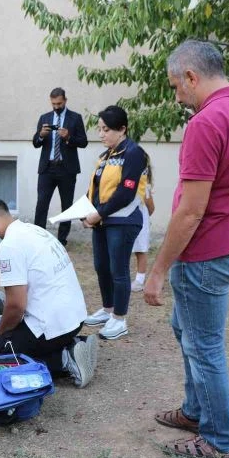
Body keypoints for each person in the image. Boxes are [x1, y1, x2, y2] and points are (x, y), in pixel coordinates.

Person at [145, 40, 229, 458]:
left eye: (175, 86)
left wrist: (157, 270)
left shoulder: (207, 122)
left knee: (204, 346)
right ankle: (194, 411)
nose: (176, 96)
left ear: (191, 77)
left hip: (208, 250)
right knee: (185, 327)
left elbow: (191, 211)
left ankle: (218, 440)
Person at [0, 196, 98, 388]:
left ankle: (64, 358)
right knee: (13, 341)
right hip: (74, 318)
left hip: (51, 325)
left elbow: (16, 305)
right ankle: (74, 343)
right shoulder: (34, 230)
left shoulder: (10, 245)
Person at [81, 105, 149, 340]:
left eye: (106, 129)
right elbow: (96, 188)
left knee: (118, 270)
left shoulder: (134, 153)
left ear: (122, 129)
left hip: (123, 221)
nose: (101, 134)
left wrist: (98, 214)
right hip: (102, 221)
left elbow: (125, 193)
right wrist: (86, 210)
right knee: (101, 266)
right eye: (99, 129)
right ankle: (108, 309)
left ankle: (119, 319)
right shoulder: (105, 156)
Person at [32, 87, 88, 246]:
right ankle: (38, 239)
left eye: (59, 103)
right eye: (53, 104)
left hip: (66, 169)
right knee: (41, 204)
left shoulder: (75, 118)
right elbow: (36, 143)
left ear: (65, 101)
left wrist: (68, 137)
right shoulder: (45, 117)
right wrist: (41, 135)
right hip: (47, 169)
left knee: (66, 206)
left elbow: (83, 142)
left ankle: (61, 240)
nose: (56, 107)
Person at [130, 168, 155, 292]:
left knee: (140, 249)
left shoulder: (144, 186)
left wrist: (145, 217)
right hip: (126, 220)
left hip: (140, 220)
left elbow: (151, 207)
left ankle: (140, 280)